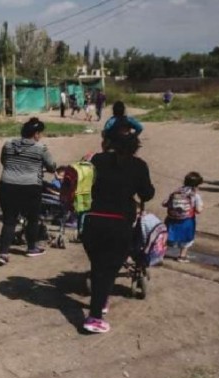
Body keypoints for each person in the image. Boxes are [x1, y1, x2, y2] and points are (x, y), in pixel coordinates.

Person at [81, 124, 155, 334]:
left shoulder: (96, 160)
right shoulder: (139, 165)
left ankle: (101, 302)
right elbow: (147, 194)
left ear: (109, 142)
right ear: (135, 146)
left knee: (98, 266)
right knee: (109, 269)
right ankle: (94, 316)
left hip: (92, 220)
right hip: (119, 223)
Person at [0, 117, 56, 265]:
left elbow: (3, 161)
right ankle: (31, 248)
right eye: (40, 133)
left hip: (6, 185)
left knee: (9, 220)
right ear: (35, 134)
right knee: (32, 218)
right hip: (30, 187)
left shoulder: (8, 144)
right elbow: (52, 167)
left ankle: (3, 253)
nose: (40, 136)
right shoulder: (41, 148)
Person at [163, 172, 204, 263]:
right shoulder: (195, 195)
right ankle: (182, 256)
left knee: (167, 237)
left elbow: (164, 203)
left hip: (171, 220)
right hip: (187, 221)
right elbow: (199, 210)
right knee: (186, 239)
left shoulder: (176, 192)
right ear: (198, 185)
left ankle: (160, 253)